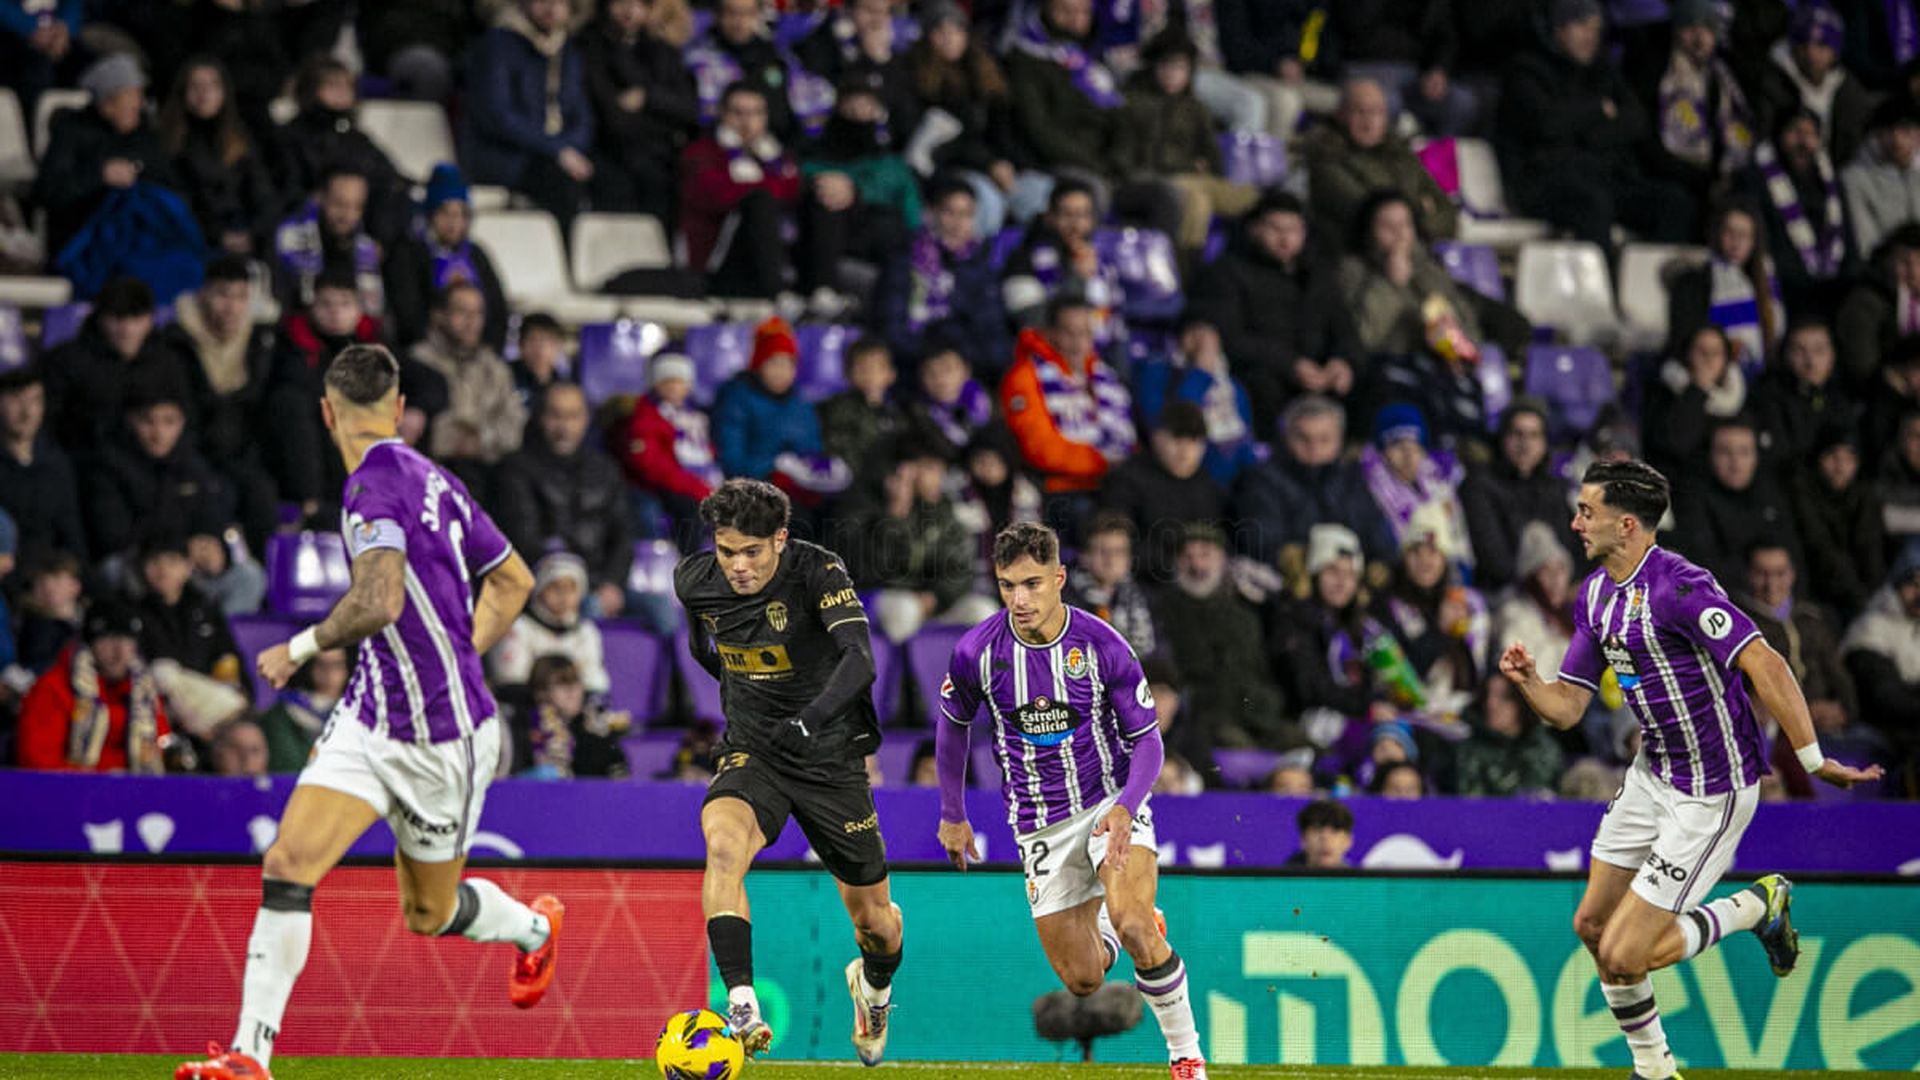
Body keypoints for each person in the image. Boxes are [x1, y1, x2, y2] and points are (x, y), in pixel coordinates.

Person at [176, 345, 556, 1080]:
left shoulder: (370, 493)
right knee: (288, 864)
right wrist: (458, 647)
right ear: (398, 404)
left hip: (445, 736)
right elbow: (514, 581)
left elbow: (379, 599)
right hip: (369, 715)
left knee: (429, 914)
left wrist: (300, 645)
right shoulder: (436, 479)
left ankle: (535, 927)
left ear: (326, 413)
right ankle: (250, 1056)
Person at [1499, 459, 1880, 1080]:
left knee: (1627, 953)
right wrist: (1528, 683)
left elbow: (1768, 664)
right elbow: (1567, 709)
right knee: (1594, 927)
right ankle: (1661, 1064)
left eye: (1586, 512)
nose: (1575, 523)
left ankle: (1749, 915)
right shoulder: (1595, 595)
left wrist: (1813, 758)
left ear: (1626, 525)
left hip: (1713, 790)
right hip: (1653, 776)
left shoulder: (1681, 587)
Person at [936, 522, 1210, 1080]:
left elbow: (1149, 741)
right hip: (1040, 825)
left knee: (1136, 925)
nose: (1020, 599)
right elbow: (952, 728)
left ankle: (1186, 1056)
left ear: (1059, 579)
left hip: (1110, 802)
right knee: (1083, 979)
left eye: (1033, 584)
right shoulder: (977, 652)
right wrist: (952, 813)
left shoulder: (1103, 644)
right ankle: (1110, 928)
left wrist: (1127, 806)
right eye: (1008, 585)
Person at [672, 478, 903, 1063]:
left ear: (780, 539)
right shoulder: (694, 581)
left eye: (753, 551)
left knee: (877, 923)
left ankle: (873, 991)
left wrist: (809, 719)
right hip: (755, 750)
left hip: (829, 758)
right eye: (727, 552)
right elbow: (706, 646)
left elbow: (860, 659)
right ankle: (742, 1001)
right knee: (723, 846)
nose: (739, 566)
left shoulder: (817, 572)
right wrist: (744, 702)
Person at [1495, 0, 1698, 255]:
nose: (1590, 36)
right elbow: (1548, 125)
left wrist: (1586, 131)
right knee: (1593, 204)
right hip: (1542, 182)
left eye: (1595, 29)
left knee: (1673, 201)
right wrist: (1599, 110)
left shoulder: (1603, 70)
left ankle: (1658, 285)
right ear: (1559, 29)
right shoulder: (1526, 71)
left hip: (1601, 177)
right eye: (1581, 26)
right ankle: (1602, 289)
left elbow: (1637, 120)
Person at [1186, 192, 1361, 438]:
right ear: (1254, 228)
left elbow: (1345, 330)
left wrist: (1343, 361)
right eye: (1275, 228)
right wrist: (1290, 365)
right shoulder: (1226, 272)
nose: (1285, 238)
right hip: (1267, 373)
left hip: (1320, 375)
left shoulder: (1318, 274)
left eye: (1293, 229)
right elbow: (1228, 337)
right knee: (1260, 384)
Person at [1110, 28, 1258, 262]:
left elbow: (1213, 155)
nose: (1173, 74)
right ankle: (1184, 269)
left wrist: (1207, 167)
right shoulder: (1134, 102)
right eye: (1167, 66)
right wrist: (1191, 164)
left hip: (1194, 176)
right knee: (1198, 201)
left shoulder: (1195, 107)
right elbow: (1139, 158)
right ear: (1153, 66)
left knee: (1252, 197)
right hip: (1152, 179)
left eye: (1181, 68)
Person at [166, 255, 280, 554]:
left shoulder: (261, 342)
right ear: (204, 294)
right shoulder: (176, 342)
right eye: (222, 295)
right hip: (193, 455)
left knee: (262, 495)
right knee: (211, 496)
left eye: (241, 297)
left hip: (243, 456)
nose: (231, 307)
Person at [462, 0, 604, 234]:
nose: (550, 6)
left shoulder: (568, 50)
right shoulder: (497, 43)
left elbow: (582, 115)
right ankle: (564, 262)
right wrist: (558, 150)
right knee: (563, 186)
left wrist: (570, 149)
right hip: (506, 155)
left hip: (555, 155)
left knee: (612, 181)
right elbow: (497, 116)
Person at [494, 383, 633, 617]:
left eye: (573, 416)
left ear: (585, 419)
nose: (564, 427)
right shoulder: (515, 469)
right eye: (555, 416)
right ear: (541, 417)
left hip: (598, 582)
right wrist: (566, 583)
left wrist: (613, 583)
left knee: (664, 612)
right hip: (548, 586)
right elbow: (523, 538)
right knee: (586, 609)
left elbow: (623, 535)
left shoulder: (605, 469)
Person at [1000, 295, 1137, 527]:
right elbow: (1039, 448)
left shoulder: (1105, 376)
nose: (1078, 342)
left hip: (1111, 485)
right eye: (1068, 332)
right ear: (1049, 332)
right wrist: (1101, 462)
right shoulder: (1025, 376)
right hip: (1058, 491)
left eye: (1085, 332)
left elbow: (1127, 436)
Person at [1155, 522, 1290, 752]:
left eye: (1205, 555)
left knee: (1301, 744)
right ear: (1176, 562)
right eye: (1188, 557)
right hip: (1203, 723)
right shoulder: (1160, 612)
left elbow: (1261, 673)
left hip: (1256, 718)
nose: (1197, 565)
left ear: (1221, 560)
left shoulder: (1244, 617)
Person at [904, 4, 1038, 235]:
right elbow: (951, 143)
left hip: (992, 165)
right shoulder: (917, 80)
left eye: (956, 30)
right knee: (986, 201)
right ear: (927, 37)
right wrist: (989, 165)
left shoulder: (983, 73)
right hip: (950, 167)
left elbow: (1003, 129)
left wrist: (1012, 164)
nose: (949, 39)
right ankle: (972, 264)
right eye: (939, 32)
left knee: (1040, 191)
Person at [851, 432, 996, 644]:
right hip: (878, 598)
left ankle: (969, 676)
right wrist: (895, 516)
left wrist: (936, 597)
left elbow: (960, 568)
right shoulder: (867, 502)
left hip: (931, 601)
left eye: (939, 469)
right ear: (907, 469)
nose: (938, 477)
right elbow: (872, 571)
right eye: (930, 468)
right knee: (905, 611)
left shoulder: (942, 509)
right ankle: (899, 677)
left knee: (985, 612)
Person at [33, 53, 181, 258]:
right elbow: (48, 192)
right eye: (130, 96)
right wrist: (99, 174)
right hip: (84, 244)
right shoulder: (71, 132)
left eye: (139, 96)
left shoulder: (145, 136)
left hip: (141, 239)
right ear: (107, 102)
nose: (138, 105)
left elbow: (170, 185)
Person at [1235, 394, 1396, 568]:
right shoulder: (1261, 481)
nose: (1314, 448)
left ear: (1339, 440)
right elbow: (1262, 544)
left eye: (1324, 439)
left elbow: (1379, 539)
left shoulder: (1351, 479)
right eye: (1303, 439)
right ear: (1286, 437)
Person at [41, 276, 193, 458]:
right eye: (117, 319)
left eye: (136, 318)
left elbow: (187, 422)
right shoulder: (66, 361)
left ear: (150, 320)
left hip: (154, 469)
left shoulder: (169, 362)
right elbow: (48, 425)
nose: (126, 330)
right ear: (100, 318)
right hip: (86, 465)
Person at [678, 82, 804, 300]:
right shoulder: (701, 153)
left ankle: (822, 291)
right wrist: (771, 186)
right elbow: (721, 195)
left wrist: (767, 186)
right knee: (760, 201)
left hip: (779, 257)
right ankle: (779, 296)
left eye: (756, 113)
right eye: (738, 113)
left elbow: (796, 189)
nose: (747, 122)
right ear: (723, 114)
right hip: (719, 266)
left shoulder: (776, 155)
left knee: (825, 194)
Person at [1626, 0, 1756, 208]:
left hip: (1711, 179)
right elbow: (1644, 139)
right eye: (1690, 28)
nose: (1699, 39)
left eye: (1707, 29)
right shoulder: (1654, 71)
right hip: (1664, 174)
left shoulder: (1724, 79)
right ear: (1676, 30)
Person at [16, 598, 171, 772]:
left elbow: (160, 748)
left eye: (127, 641)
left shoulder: (145, 694)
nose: (119, 651)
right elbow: (38, 763)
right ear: (89, 644)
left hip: (134, 792)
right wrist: (107, 781)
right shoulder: (54, 688)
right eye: (109, 640)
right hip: (72, 793)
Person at [874, 177, 1009, 375]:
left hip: (968, 367)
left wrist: (959, 361)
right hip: (912, 365)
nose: (957, 223)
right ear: (930, 213)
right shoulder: (903, 259)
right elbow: (891, 326)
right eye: (949, 212)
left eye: (966, 214)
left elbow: (993, 332)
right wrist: (932, 358)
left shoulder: (980, 265)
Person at [580, 0, 701, 222]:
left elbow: (689, 110)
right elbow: (613, 119)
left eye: (637, 3)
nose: (628, 11)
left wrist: (648, 97)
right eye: (620, 3)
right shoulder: (590, 48)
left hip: (662, 157)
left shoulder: (661, 49)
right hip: (613, 155)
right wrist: (665, 120)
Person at [269, 57, 410, 247]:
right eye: (333, 85)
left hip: (361, 220)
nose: (342, 92)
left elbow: (387, 173)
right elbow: (288, 185)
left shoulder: (355, 136)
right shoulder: (290, 136)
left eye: (347, 86)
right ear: (310, 89)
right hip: (308, 220)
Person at [1300, 77, 1457, 245]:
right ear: (1341, 114)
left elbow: (1447, 211)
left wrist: (1416, 227)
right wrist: (1420, 212)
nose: (1368, 122)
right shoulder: (1326, 156)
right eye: (1360, 112)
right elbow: (1372, 215)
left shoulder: (1401, 154)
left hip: (1414, 252)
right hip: (1353, 257)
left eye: (1376, 112)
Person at [86, 390, 236, 562]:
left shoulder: (193, 464)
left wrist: (214, 551)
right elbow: (114, 536)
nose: (159, 434)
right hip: (139, 559)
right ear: (130, 421)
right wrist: (179, 547)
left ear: (183, 422)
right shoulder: (108, 466)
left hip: (187, 561)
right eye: (148, 422)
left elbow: (211, 521)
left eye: (169, 422)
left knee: (247, 574)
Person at [157, 55, 279, 256]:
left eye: (212, 86)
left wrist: (252, 234)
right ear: (183, 93)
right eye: (195, 86)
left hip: (246, 235)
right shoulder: (169, 144)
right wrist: (218, 236)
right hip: (195, 239)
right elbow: (177, 204)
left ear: (224, 93)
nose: (204, 93)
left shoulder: (240, 139)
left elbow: (263, 193)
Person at [383, 165, 511, 354]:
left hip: (477, 354)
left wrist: (486, 350)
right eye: (445, 213)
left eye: (461, 214)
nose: (454, 223)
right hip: (428, 353)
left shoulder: (476, 254)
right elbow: (407, 314)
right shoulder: (408, 253)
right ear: (430, 215)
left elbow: (498, 309)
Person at [409, 282, 527, 477]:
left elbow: (514, 427)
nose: (471, 321)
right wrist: (454, 442)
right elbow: (414, 433)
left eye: (478, 313)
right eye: (462, 312)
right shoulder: (417, 362)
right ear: (439, 315)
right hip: (429, 474)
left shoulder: (494, 367)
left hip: (486, 473)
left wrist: (480, 440)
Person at [1745, 107, 1855, 319]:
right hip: (1785, 283)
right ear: (1779, 136)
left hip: (1831, 285)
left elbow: (1848, 235)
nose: (1803, 142)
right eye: (1796, 132)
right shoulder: (1757, 179)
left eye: (1810, 134)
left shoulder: (1831, 182)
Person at [1098, 402, 1224, 585]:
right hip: (1144, 582)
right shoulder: (1126, 480)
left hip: (1198, 582)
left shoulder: (1208, 486)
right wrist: (1174, 562)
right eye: (1177, 439)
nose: (1185, 450)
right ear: (1157, 437)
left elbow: (1217, 539)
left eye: (1194, 441)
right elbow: (1118, 544)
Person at [1672, 417, 1804, 585]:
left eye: (1744, 452)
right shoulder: (1692, 499)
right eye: (1725, 452)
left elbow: (1795, 557)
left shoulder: (1771, 494)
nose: (1736, 463)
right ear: (1710, 455)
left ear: (1756, 456)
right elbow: (1704, 564)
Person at [1131, 316, 1257, 489]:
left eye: (1209, 335)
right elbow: (1171, 421)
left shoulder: (1231, 385)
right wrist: (1200, 372)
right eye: (1195, 334)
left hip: (1236, 479)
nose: (1203, 344)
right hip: (1187, 474)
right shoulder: (1155, 372)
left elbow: (1246, 437)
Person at [1461, 399, 1573, 593]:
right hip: (1504, 595)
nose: (1525, 444)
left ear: (1545, 443)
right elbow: (1494, 560)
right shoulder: (1479, 485)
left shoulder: (1555, 488)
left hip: (1557, 592)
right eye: (1517, 434)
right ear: (1503, 438)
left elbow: (1572, 548)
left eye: (1534, 435)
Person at [1000, 180, 1125, 343]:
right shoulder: (1022, 261)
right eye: (1067, 215)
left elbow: (1115, 326)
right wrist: (1078, 279)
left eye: (1083, 215)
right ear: (1050, 217)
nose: (1075, 225)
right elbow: (1032, 322)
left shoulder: (1101, 260)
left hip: (1095, 361)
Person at [1760, 5, 1873, 181]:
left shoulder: (1850, 92)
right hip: (1781, 174)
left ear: (1835, 53)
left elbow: (1852, 148)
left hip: (1833, 178)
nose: (1811, 53)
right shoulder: (1771, 84)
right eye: (1804, 44)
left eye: (1821, 46)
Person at [1667, 200, 1784, 371]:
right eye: (1729, 232)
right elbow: (1685, 340)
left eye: (1744, 235)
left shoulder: (1767, 282)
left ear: (1754, 241)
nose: (1736, 242)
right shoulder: (1693, 283)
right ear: (1716, 233)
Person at [622, 352, 721, 549]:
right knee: (692, 510)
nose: (674, 387)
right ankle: (691, 566)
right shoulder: (646, 416)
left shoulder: (694, 416)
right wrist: (697, 488)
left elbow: (704, 451)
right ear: (655, 384)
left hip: (697, 482)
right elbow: (653, 466)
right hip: (662, 486)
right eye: (668, 381)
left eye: (680, 381)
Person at [1789, 425, 1886, 618]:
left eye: (1849, 459)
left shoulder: (1864, 495)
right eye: (1833, 457)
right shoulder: (1802, 491)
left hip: (1862, 596)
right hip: (1816, 593)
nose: (1840, 467)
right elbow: (1820, 547)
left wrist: (1875, 598)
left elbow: (1870, 549)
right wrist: (1861, 599)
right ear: (1818, 459)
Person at [487, 550, 611, 696]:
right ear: (540, 589)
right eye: (556, 588)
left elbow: (594, 682)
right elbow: (511, 681)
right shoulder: (519, 629)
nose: (564, 596)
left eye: (571, 589)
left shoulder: (586, 632)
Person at [272, 165, 385, 319]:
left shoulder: (366, 247)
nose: (348, 215)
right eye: (339, 204)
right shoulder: (287, 238)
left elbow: (374, 311)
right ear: (319, 198)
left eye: (357, 206)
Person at [0, 365, 88, 562]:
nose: (27, 412)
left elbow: (72, 534)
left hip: (49, 577)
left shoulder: (57, 463)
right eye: (16, 400)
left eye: (35, 401)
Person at [1643, 325, 1749, 476]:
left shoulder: (1739, 398)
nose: (1709, 358)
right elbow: (1676, 445)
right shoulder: (1663, 393)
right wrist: (1697, 390)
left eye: (1716, 352)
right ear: (1687, 354)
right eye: (1701, 351)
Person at [1749, 319, 1857, 467]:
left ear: (1832, 356)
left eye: (1819, 351)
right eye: (1799, 351)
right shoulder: (1767, 399)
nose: (1810, 362)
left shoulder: (1843, 400)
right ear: (1785, 355)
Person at [517, 654, 632, 780]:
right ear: (540, 692)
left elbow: (621, 780)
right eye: (562, 684)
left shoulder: (596, 731)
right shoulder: (522, 729)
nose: (572, 692)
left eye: (575, 681)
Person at [1063, 511, 1160, 658]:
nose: (1111, 560)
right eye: (1103, 552)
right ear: (1085, 556)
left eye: (1119, 552)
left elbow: (1160, 651)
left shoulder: (1144, 597)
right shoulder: (1066, 602)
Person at [1455, 676, 1565, 798]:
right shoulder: (1471, 750)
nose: (1491, 704)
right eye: (1487, 696)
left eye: (1504, 697)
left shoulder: (1546, 750)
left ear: (1522, 701)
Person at [1841, 94, 1920, 258]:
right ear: (1876, 134)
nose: (1897, 140)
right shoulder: (1854, 179)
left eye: (1906, 130)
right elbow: (1866, 247)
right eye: (1889, 130)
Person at [817, 340, 907, 481]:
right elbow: (841, 453)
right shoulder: (841, 409)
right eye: (862, 368)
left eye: (876, 368)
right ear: (848, 373)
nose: (870, 374)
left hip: (890, 482)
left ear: (891, 374)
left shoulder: (896, 412)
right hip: (855, 484)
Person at [257, 647, 350, 773]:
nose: (329, 673)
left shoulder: (357, 713)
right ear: (307, 667)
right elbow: (285, 765)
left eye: (337, 665)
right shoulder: (282, 714)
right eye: (321, 665)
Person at [509, 313, 574, 413]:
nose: (540, 350)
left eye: (548, 341)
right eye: (533, 340)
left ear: (559, 346)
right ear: (520, 345)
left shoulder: (564, 387)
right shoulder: (504, 378)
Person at [1285, 798, 1353, 868]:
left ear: (1348, 841)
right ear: (1303, 840)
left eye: (1335, 830)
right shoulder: (1282, 877)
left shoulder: (1355, 878)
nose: (1325, 837)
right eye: (1317, 830)